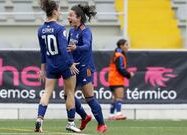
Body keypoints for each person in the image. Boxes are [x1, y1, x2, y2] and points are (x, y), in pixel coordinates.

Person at [34, 0, 80, 133]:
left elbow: (43, 51)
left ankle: (39, 119)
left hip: (51, 65)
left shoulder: (41, 29)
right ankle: (71, 123)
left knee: (47, 92)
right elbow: (63, 48)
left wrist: (42, 69)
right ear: (54, 11)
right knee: (70, 92)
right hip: (64, 64)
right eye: (59, 10)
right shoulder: (60, 28)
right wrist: (70, 63)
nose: (60, 12)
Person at [67, 4, 107, 133]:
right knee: (68, 95)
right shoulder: (71, 30)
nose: (69, 17)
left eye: (71, 15)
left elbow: (87, 46)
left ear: (78, 18)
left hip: (85, 67)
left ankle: (102, 124)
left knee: (89, 97)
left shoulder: (86, 31)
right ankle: (84, 117)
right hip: (74, 67)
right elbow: (69, 48)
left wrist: (76, 48)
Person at [108, 39, 134, 120]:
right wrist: (129, 75)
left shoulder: (116, 54)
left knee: (115, 98)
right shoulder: (119, 55)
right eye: (126, 45)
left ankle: (111, 115)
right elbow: (120, 68)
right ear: (121, 46)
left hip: (112, 79)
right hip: (117, 79)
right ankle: (118, 113)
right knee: (119, 97)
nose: (128, 47)